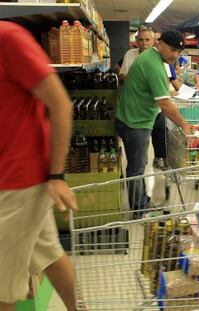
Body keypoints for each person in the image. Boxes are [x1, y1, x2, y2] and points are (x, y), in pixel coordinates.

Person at [0, 21, 79, 311]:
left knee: (1, 290)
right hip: (11, 180)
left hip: (18, 182)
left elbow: (60, 103)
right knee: (49, 256)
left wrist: (57, 175)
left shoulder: (8, 38)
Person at [115, 30, 191, 215]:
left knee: (139, 164)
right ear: (160, 43)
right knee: (136, 168)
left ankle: (141, 202)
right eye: (172, 50)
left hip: (133, 118)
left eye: (179, 52)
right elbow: (164, 103)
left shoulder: (152, 57)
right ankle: (139, 209)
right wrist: (184, 125)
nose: (175, 55)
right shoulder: (154, 65)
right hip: (135, 123)